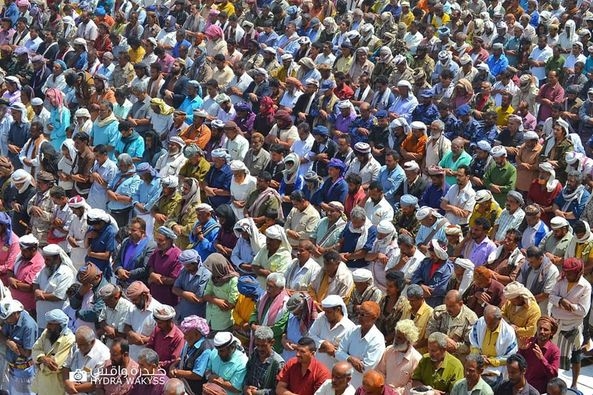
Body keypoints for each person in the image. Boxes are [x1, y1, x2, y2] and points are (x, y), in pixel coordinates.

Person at [549, 258, 591, 389]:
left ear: (578, 273)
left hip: (572, 327)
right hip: (556, 324)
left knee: (575, 355)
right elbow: (551, 296)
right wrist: (561, 301)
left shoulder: (585, 287)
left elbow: (583, 311)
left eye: (570, 273)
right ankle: (552, 381)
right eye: (566, 272)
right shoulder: (561, 280)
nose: (567, 275)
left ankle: (574, 384)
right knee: (553, 354)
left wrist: (569, 306)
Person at [335, 301, 385, 388]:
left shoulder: (378, 339)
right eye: (359, 313)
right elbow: (337, 352)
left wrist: (345, 356)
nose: (359, 317)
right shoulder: (353, 330)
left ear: (373, 318)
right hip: (341, 383)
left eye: (363, 315)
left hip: (358, 386)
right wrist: (350, 358)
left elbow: (366, 368)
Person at [469, 305, 519, 390]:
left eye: (491, 324)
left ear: (499, 319)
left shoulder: (509, 332)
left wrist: (491, 361)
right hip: (478, 368)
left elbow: (510, 357)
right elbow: (473, 343)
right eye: (486, 322)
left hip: (496, 374)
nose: (488, 326)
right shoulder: (480, 322)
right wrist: (478, 357)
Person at [31, 309, 76, 395]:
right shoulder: (46, 333)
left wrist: (38, 362)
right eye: (48, 323)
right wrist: (43, 358)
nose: (47, 326)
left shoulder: (70, 340)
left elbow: (55, 366)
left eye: (51, 324)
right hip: (40, 385)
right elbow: (34, 350)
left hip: (56, 387)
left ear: (60, 325)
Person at [33, 244, 76, 329]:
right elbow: (35, 281)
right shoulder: (45, 268)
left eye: (48, 259)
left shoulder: (66, 273)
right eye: (45, 259)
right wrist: (36, 290)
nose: (45, 262)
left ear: (57, 258)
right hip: (41, 317)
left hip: (56, 320)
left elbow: (59, 296)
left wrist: (41, 296)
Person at [426, 289, 478, 360]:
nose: (448, 309)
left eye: (451, 306)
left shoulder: (471, 319)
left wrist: (455, 346)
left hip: (458, 358)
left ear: (460, 303)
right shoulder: (439, 312)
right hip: (437, 355)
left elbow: (470, 346)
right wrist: (445, 340)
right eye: (447, 305)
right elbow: (430, 333)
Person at [0, 299, 38, 395]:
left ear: (15, 313)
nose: (5, 321)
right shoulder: (10, 321)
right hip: (13, 368)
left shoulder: (29, 326)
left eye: (7, 318)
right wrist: (9, 342)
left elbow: (27, 353)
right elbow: (1, 335)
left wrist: (12, 344)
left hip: (25, 371)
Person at [168, 315, 214, 395]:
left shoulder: (205, 349)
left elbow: (197, 375)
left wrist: (177, 372)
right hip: (184, 386)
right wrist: (173, 366)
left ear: (196, 334)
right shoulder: (188, 344)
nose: (184, 337)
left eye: (186, 334)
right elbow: (181, 358)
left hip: (194, 391)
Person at [376, 319, 422, 393]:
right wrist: (383, 388)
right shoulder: (389, 350)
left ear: (408, 340)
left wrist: (394, 392)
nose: (395, 340)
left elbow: (412, 384)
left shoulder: (416, 359)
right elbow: (380, 371)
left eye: (399, 338)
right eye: (396, 336)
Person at [62, 326, 111, 395]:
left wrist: (72, 388)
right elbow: (65, 367)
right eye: (77, 344)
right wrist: (67, 382)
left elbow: (96, 384)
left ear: (92, 341)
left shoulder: (103, 355)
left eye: (82, 345)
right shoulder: (76, 345)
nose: (78, 347)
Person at [518, 316, 561, 394]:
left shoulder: (554, 350)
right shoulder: (528, 343)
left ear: (551, 332)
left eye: (546, 330)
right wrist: (521, 350)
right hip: (522, 387)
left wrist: (542, 359)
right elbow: (517, 364)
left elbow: (554, 375)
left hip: (539, 391)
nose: (542, 331)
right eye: (540, 328)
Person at [113, 217, 157, 287]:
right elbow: (117, 260)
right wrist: (119, 270)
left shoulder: (150, 246)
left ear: (142, 232)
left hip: (137, 286)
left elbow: (145, 269)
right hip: (121, 283)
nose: (130, 232)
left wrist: (127, 274)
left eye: (133, 230)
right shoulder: (126, 242)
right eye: (130, 229)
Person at [202, 253, 239, 332]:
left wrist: (211, 298)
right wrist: (217, 301)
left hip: (224, 322)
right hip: (210, 319)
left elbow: (230, 304)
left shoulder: (233, 280)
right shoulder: (213, 278)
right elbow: (205, 295)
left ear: (217, 268)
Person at [244, 326, 285, 395]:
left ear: (272, 342)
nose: (259, 349)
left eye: (263, 346)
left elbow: (279, 390)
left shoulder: (278, 363)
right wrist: (246, 387)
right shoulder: (254, 353)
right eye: (257, 345)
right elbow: (247, 373)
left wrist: (258, 393)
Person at [147, 226, 182, 306]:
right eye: (157, 240)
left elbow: (174, 279)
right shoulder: (157, 251)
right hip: (154, 297)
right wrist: (152, 274)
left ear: (169, 240)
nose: (158, 243)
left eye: (161, 240)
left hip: (169, 300)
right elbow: (151, 266)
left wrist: (157, 279)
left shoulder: (178, 255)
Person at [173, 249, 211, 320]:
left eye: (188, 266)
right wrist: (187, 294)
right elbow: (174, 289)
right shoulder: (184, 271)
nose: (186, 268)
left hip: (196, 317)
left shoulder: (205, 275)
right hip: (182, 313)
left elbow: (199, 299)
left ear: (195, 263)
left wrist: (181, 292)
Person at [146, 305, 185, 371]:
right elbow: (149, 346)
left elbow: (175, 360)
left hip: (166, 374)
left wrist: (159, 364)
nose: (158, 325)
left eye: (160, 323)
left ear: (169, 321)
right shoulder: (157, 329)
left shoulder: (179, 337)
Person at [97, 283, 134, 348]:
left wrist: (105, 332)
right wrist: (107, 328)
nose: (105, 304)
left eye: (107, 301)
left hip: (120, 347)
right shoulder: (107, 304)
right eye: (104, 301)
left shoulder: (127, 308)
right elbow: (101, 319)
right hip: (107, 345)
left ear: (116, 297)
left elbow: (122, 334)